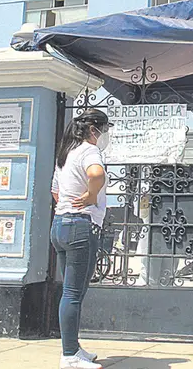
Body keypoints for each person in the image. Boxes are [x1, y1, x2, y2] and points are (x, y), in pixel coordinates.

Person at [50, 109, 112, 369]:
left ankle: (73, 347)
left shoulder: (66, 153)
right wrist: (91, 196)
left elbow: (55, 191)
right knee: (73, 294)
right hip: (80, 226)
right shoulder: (89, 150)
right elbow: (97, 174)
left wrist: (72, 201)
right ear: (94, 130)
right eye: (105, 129)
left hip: (60, 225)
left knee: (71, 292)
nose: (106, 134)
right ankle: (69, 356)